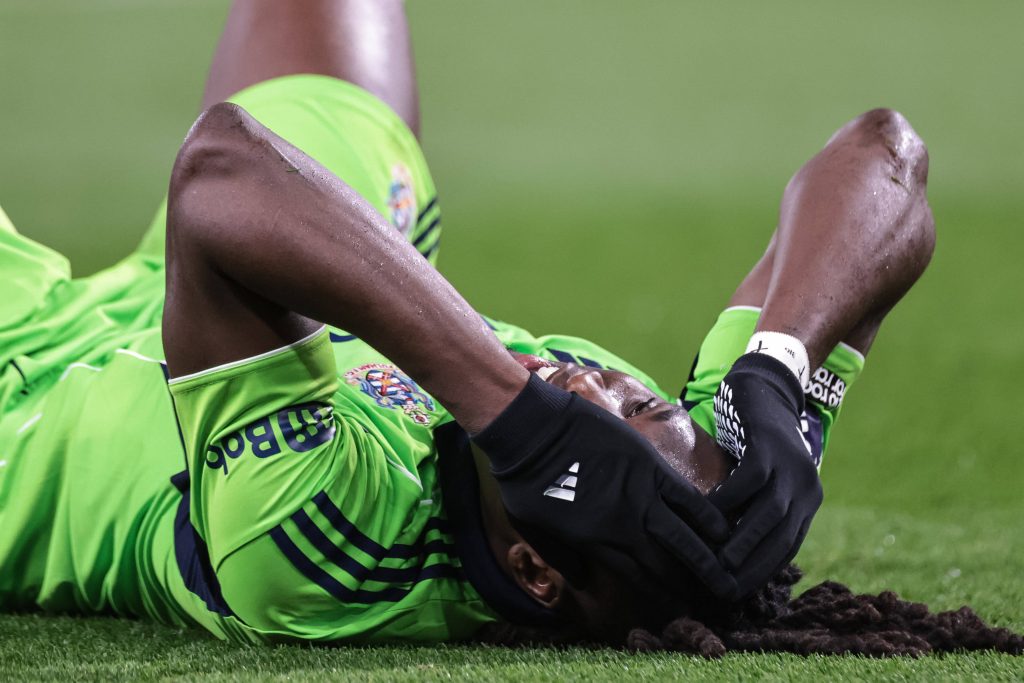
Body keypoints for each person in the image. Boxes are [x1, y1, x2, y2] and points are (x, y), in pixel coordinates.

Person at [1, 0, 1020, 656]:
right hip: (290, 274)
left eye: (600, 429)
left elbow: (218, 175)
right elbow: (887, 159)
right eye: (641, 398)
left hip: (32, 396)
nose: (595, 387)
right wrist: (777, 370)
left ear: (532, 568)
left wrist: (515, 410)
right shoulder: (694, 474)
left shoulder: (337, 553)